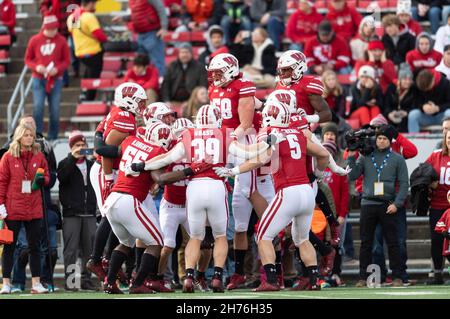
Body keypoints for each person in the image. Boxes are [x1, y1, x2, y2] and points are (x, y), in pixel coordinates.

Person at [214, 101, 331, 291]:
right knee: (302, 238)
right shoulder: (298, 133)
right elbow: (323, 154)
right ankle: (313, 278)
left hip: (288, 192)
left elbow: (260, 158)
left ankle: (270, 280)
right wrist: (318, 174)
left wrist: (234, 170)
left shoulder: (272, 134)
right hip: (307, 191)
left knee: (263, 235)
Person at [86, 82, 147, 282]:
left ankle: (104, 259)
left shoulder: (121, 113)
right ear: (129, 100)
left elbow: (102, 139)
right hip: (106, 170)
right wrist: (109, 178)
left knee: (114, 219)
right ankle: (96, 260)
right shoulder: (124, 118)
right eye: (139, 101)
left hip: (110, 169)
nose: (142, 106)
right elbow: (105, 152)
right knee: (109, 216)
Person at [347, 125, 409, 287]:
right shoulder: (366, 156)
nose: (381, 141)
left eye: (385, 139)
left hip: (388, 205)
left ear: (390, 141)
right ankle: (363, 277)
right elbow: (352, 175)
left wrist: (397, 204)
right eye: (379, 138)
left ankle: (397, 276)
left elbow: (404, 184)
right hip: (368, 203)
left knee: (393, 242)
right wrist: (351, 157)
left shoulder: (397, 159)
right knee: (366, 242)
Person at [0, 124, 50, 294]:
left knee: (35, 246)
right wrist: (1, 206)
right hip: (13, 209)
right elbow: (1, 182)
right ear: (19, 136)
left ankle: (36, 283)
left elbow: (47, 175)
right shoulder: (8, 156)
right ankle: (6, 283)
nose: (30, 137)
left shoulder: (39, 155)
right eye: (26, 135)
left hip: (34, 208)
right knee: (9, 247)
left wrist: (44, 180)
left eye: (32, 135)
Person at [57, 131, 97, 291]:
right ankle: (71, 282)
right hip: (72, 213)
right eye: (77, 146)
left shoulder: (92, 164)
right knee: (70, 250)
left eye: (83, 145)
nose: (81, 148)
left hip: (89, 212)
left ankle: (87, 280)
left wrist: (96, 158)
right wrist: (72, 158)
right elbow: (62, 177)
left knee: (90, 250)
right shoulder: (64, 163)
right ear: (71, 147)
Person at [25, 15, 70, 141]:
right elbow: (28, 59)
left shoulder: (61, 40)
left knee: (54, 108)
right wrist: (37, 67)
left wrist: (58, 69)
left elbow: (66, 60)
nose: (54, 31)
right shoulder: (35, 40)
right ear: (45, 27)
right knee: (38, 106)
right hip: (38, 78)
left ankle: (53, 136)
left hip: (56, 79)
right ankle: (37, 135)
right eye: (51, 29)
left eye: (55, 28)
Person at [113, 0, 168, 76]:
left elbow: (161, 9)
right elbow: (137, 15)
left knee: (157, 62)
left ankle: (160, 83)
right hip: (140, 34)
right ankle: (143, 85)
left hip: (153, 33)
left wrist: (164, 27)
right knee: (140, 64)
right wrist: (123, 18)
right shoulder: (132, 1)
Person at [67, 0, 107, 101]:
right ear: (90, 3)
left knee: (88, 73)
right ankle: (89, 99)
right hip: (93, 52)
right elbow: (99, 34)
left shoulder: (72, 17)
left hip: (80, 52)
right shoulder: (89, 16)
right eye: (94, 4)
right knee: (93, 78)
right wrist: (106, 39)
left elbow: (73, 34)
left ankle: (84, 94)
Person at [425, 129, 450, 284]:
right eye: (449, 138)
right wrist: (429, 182)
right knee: (437, 240)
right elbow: (422, 172)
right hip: (437, 205)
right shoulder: (436, 155)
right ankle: (438, 273)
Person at [161, 42, 208, 114]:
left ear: (191, 54)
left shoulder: (199, 67)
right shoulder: (172, 66)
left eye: (187, 52)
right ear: (179, 54)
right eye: (182, 52)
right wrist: (166, 101)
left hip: (192, 101)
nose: (184, 55)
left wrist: (190, 101)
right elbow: (165, 85)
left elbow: (202, 86)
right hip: (173, 101)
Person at [384, 65, 416, 132]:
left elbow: (415, 106)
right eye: (405, 79)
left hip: (405, 116)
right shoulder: (391, 87)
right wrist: (389, 114)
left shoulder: (413, 89)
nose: (408, 82)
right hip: (392, 115)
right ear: (400, 79)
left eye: (410, 79)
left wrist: (406, 112)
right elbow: (386, 105)